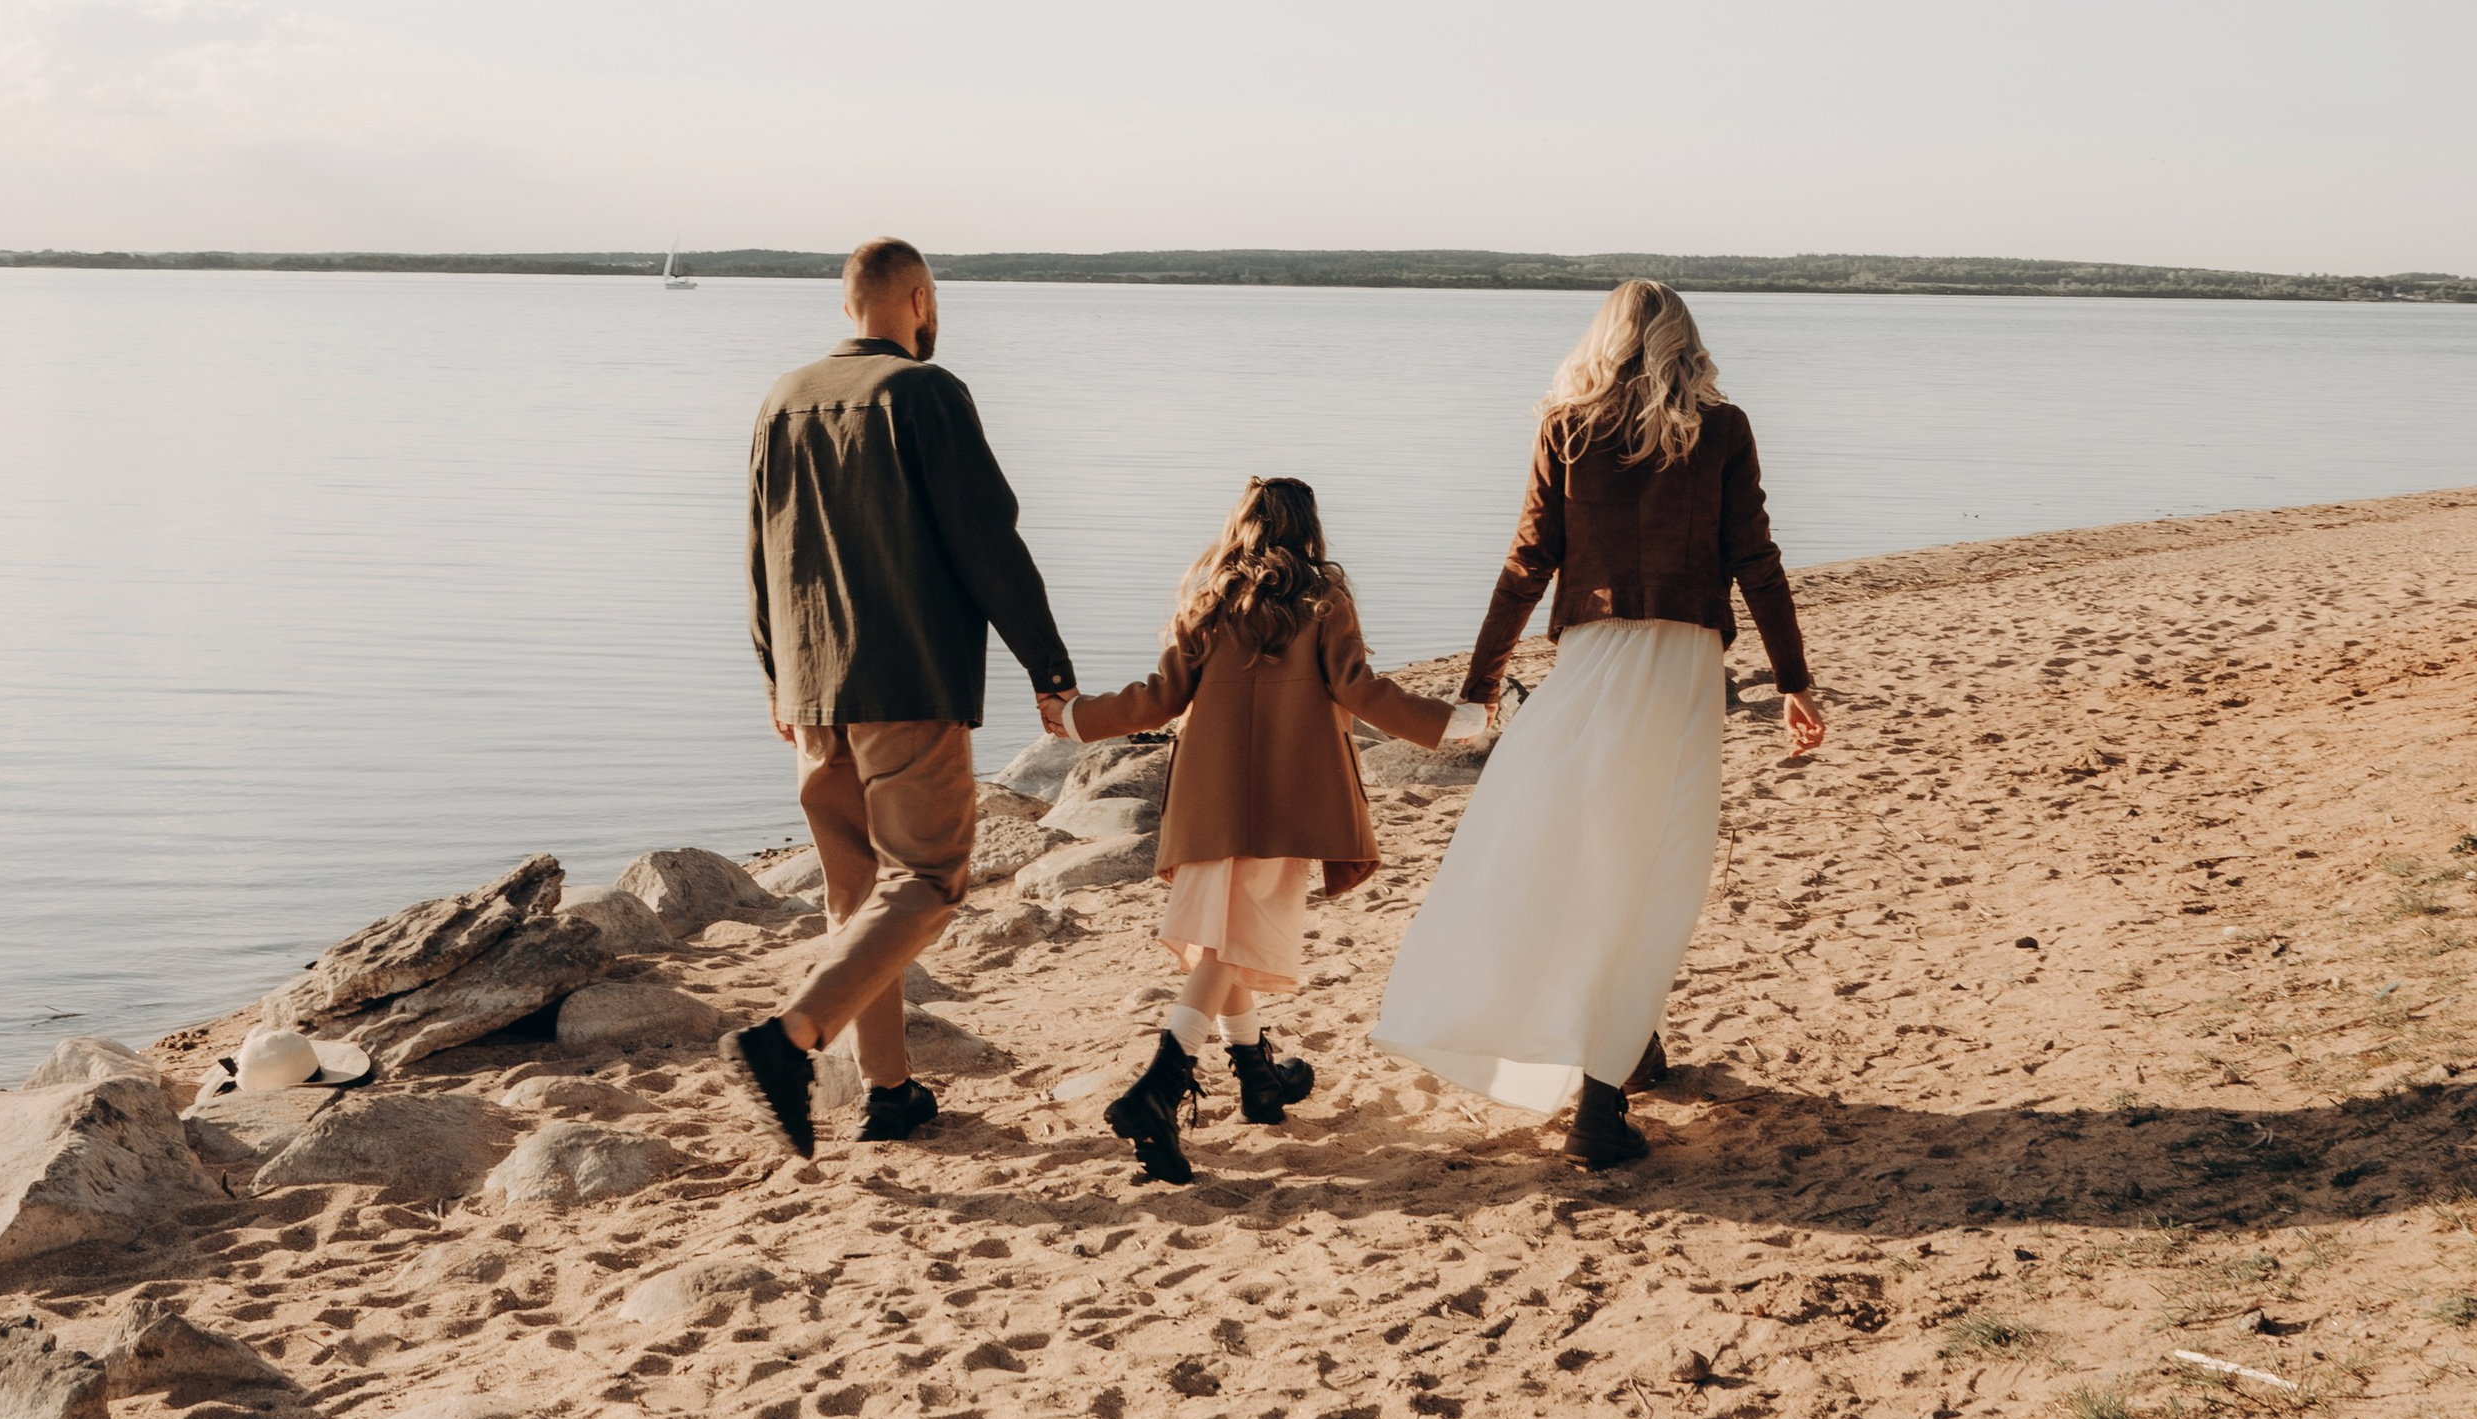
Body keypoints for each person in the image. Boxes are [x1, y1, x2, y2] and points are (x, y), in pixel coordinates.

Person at [1375, 279, 1825, 1170]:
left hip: (1590, 661)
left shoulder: (1567, 426)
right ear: (1684, 343)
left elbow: (1525, 562)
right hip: (1680, 668)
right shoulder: (1721, 429)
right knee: (1654, 863)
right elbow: (1756, 560)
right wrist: (1794, 681)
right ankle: (1599, 1107)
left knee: (1586, 847)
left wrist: (1483, 683)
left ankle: (1632, 1045)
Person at [725, 238, 1075, 1162]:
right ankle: (790, 1037)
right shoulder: (924, 392)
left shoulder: (779, 399)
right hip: (906, 679)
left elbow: (758, 552)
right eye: (932, 302)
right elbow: (987, 543)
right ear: (916, 297)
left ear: (849, 304)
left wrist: (774, 675)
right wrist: (1050, 668)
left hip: (812, 691)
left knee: (858, 897)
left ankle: (890, 1093)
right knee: (928, 879)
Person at [1057, 475, 1486, 1186]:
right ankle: (1159, 1089)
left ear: (1242, 527)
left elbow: (1158, 698)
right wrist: (1449, 724)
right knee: (1229, 945)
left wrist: (1077, 717)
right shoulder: (1323, 602)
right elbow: (1360, 689)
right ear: (1308, 530)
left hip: (1207, 804)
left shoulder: (1209, 601)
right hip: (1285, 804)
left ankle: (1258, 1078)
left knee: (1225, 939)